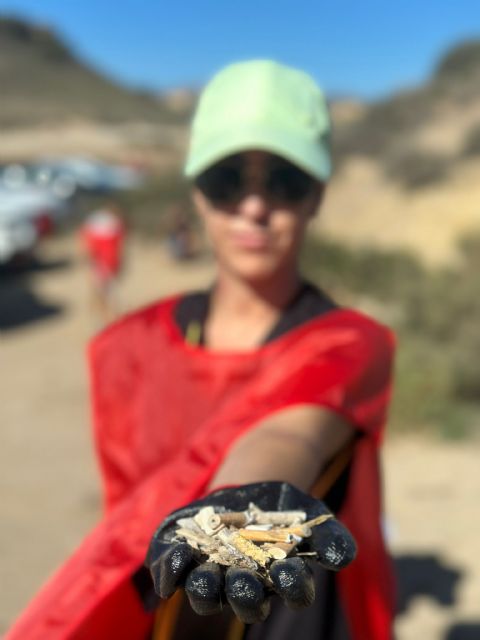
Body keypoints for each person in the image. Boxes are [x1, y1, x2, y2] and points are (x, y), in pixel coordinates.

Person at [6, 60, 396, 640]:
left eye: (285, 181)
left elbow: (291, 432)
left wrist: (243, 506)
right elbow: (125, 504)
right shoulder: (131, 346)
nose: (254, 207)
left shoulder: (348, 342)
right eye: (228, 179)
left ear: (317, 196)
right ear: (196, 191)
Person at [79, 203, 126, 325]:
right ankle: (108, 317)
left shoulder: (99, 226)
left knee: (103, 292)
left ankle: (106, 317)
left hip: (102, 264)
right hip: (105, 263)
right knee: (106, 292)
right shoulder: (115, 226)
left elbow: (87, 246)